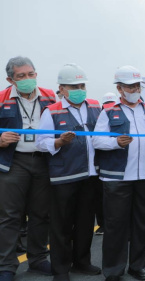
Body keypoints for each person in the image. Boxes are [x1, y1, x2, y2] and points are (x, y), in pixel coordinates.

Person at [92, 65, 145, 281]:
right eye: (128, 86)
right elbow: (96, 140)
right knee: (116, 225)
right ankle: (113, 270)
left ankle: (137, 266)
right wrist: (115, 142)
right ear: (120, 89)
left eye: (136, 86)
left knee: (142, 224)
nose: (133, 90)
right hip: (117, 177)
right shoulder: (108, 112)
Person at [36, 63, 102, 281]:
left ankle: (82, 262)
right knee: (61, 225)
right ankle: (61, 268)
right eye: (73, 86)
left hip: (90, 175)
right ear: (62, 89)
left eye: (82, 85)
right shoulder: (52, 111)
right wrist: (58, 142)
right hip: (64, 176)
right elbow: (40, 142)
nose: (79, 89)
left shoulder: (94, 106)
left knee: (85, 223)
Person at [0, 56, 55, 281]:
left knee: (41, 214)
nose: (27, 79)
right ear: (10, 79)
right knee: (9, 216)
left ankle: (38, 259)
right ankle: (6, 266)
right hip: (13, 162)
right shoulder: (2, 98)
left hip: (43, 161)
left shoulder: (50, 96)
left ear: (36, 73)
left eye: (30, 74)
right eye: (21, 76)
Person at [93, 92, 120, 236]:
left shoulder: (117, 113)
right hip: (101, 163)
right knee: (101, 197)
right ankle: (103, 224)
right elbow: (96, 141)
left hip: (116, 164)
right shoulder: (102, 115)